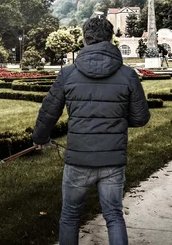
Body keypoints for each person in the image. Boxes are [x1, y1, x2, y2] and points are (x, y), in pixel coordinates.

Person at [32, 17, 150, 245]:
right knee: (114, 216)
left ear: (85, 39)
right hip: (112, 160)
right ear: (110, 39)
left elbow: (49, 112)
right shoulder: (128, 75)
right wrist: (116, 121)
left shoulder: (68, 74)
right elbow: (141, 117)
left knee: (70, 217)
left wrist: (40, 137)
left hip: (78, 159)